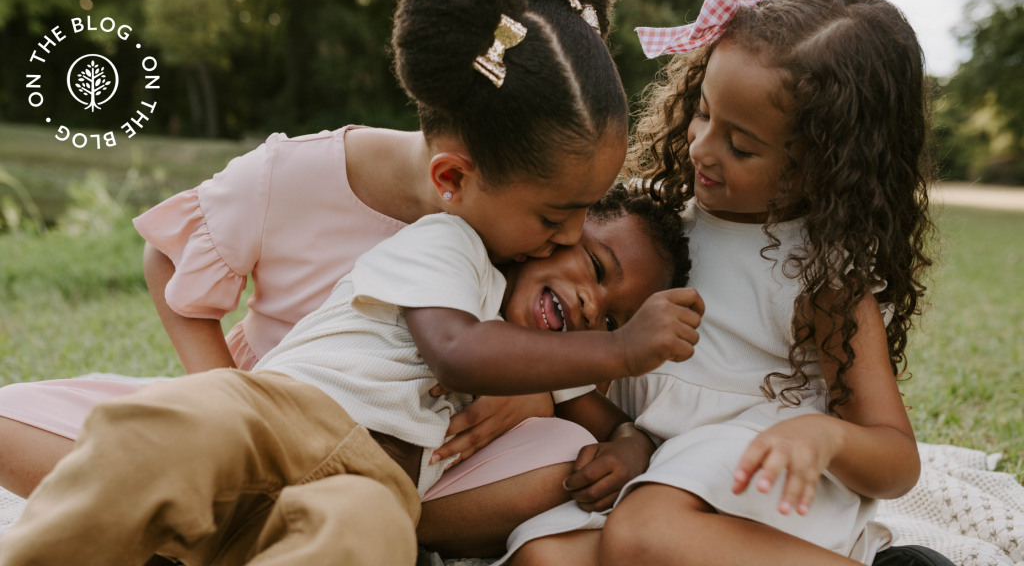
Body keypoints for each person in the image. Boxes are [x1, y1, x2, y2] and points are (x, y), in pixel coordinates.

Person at [0, 0, 635, 555]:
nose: (574, 235)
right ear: (453, 179)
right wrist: (222, 392)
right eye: (559, 215)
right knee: (71, 427)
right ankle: (200, 502)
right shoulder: (298, 175)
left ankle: (243, 528)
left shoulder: (523, 225)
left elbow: (513, 360)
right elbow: (166, 255)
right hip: (260, 410)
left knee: (535, 467)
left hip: (385, 463)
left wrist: (525, 393)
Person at [0, 182, 701, 566]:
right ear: (554, 233)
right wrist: (621, 350)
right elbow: (456, 349)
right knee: (169, 429)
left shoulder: (560, 362)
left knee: (370, 542)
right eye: (597, 269)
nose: (593, 308)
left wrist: (633, 445)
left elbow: (617, 426)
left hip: (376, 480)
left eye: (615, 317)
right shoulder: (453, 249)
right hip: (279, 414)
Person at [502, 0, 939, 564]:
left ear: (827, 167)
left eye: (740, 145)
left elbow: (897, 459)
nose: (703, 147)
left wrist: (824, 437)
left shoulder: (821, 278)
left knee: (642, 534)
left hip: (762, 474)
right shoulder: (652, 229)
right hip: (663, 469)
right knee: (543, 556)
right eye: (704, 112)